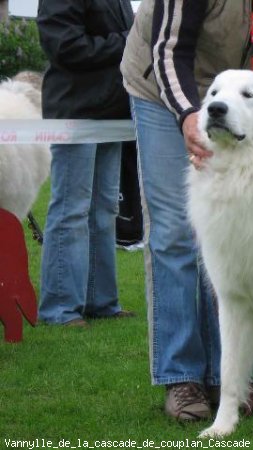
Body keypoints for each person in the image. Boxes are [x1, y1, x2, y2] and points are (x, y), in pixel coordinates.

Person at [120, 0, 253, 421]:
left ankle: (230, 381)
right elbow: (169, 49)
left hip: (240, 91)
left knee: (237, 240)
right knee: (174, 232)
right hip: (162, 85)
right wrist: (188, 115)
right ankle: (181, 376)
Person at [37, 0, 135, 327]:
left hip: (111, 111)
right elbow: (64, 47)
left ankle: (101, 301)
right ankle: (60, 308)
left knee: (104, 209)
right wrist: (126, 41)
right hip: (75, 111)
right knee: (71, 210)